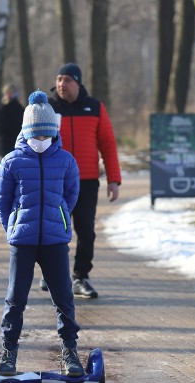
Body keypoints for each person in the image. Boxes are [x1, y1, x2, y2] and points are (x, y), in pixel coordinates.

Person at [0, 90, 84, 377]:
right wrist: (13, 224)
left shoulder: (67, 161)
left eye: (46, 136)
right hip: (23, 240)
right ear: (26, 132)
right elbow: (2, 201)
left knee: (63, 297)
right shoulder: (11, 162)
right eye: (37, 136)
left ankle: (70, 350)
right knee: (15, 298)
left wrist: (59, 215)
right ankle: (8, 351)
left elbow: (71, 194)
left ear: (53, 134)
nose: (41, 142)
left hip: (55, 241)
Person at [42, 62, 122, 299]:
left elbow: (107, 144)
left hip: (86, 181)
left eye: (67, 80)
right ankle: (50, 273)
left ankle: (81, 277)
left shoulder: (94, 107)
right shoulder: (47, 108)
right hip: (55, 180)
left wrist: (113, 179)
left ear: (78, 82)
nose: (61, 84)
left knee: (86, 231)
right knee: (53, 229)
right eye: (58, 79)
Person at [0, 83, 25, 158]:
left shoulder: (1, 109)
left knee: (1, 168)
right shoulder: (21, 110)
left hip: (2, 149)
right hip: (18, 148)